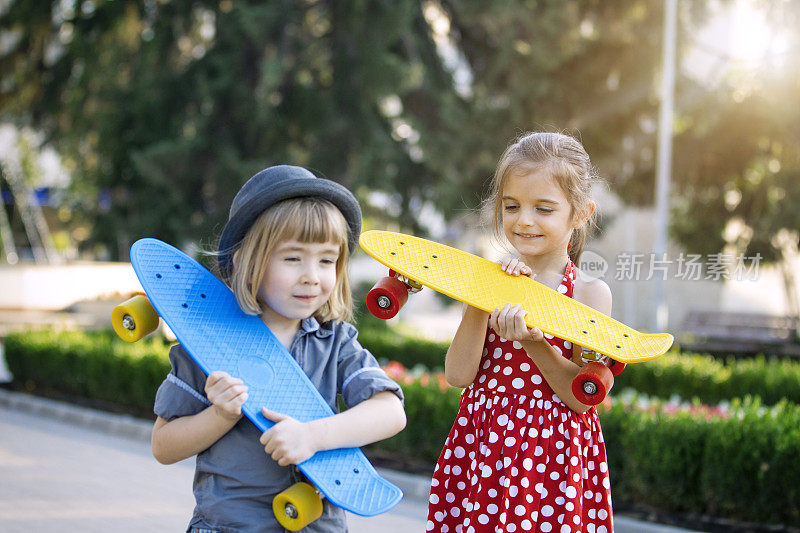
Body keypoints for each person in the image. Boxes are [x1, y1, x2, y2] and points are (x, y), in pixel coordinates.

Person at [150, 165, 407, 533]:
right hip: (227, 526)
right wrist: (220, 416)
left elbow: (391, 412)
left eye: (326, 260)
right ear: (247, 261)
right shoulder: (207, 342)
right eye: (292, 258)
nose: (312, 275)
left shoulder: (335, 342)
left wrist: (313, 436)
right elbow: (163, 445)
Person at [427, 132, 614, 533]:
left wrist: (535, 344)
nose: (523, 220)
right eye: (511, 206)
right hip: (484, 450)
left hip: (552, 459)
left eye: (543, 209)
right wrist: (482, 297)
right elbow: (459, 376)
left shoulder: (589, 295)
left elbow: (581, 400)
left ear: (580, 213)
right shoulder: (488, 283)